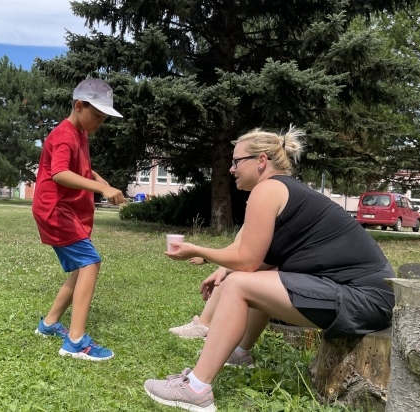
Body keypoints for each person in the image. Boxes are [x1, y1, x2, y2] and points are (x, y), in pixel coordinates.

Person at [144, 126, 395, 411]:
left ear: (261, 161)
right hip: (366, 295)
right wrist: (224, 269)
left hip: (364, 298)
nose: (231, 169)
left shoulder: (268, 189)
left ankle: (196, 389)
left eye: (237, 161)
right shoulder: (284, 190)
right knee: (245, 279)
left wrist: (199, 250)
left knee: (241, 284)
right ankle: (239, 354)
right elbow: (261, 258)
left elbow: (248, 261)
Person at [32, 79, 126, 361]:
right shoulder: (65, 135)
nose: (100, 122)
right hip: (56, 210)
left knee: (82, 266)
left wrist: (100, 179)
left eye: (104, 118)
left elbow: (81, 168)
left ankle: (49, 324)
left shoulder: (80, 133)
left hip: (65, 210)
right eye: (96, 115)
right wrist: (102, 189)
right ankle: (75, 342)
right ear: (79, 106)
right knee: (90, 262)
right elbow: (59, 173)